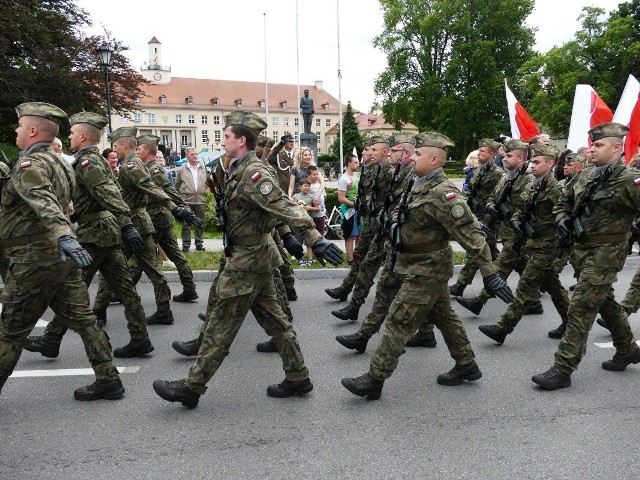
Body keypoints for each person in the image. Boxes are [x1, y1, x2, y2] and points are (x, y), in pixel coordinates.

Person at [152, 111, 343, 409]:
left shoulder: (254, 173)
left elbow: (284, 206)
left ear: (241, 141)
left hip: (247, 261)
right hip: (254, 258)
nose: (222, 139)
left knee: (220, 325)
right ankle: (297, 377)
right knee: (277, 323)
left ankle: (192, 387)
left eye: (226, 136)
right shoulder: (235, 169)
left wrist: (314, 240)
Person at [340, 132, 514, 400]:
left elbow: (473, 235)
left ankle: (374, 378)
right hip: (409, 263)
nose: (412, 157)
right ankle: (466, 364)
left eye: (418, 154)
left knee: (398, 319)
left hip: (428, 268)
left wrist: (489, 274)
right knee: (444, 316)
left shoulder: (444, 193)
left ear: (434, 160)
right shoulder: (417, 183)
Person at [0, 102, 123, 401]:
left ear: (31, 130)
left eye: (19, 127)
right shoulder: (59, 162)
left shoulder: (32, 165)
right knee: (85, 320)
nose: (15, 132)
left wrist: (63, 235)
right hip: (58, 259)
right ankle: (108, 378)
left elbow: (45, 201)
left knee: (11, 331)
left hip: (35, 259)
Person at [25, 111, 154, 360]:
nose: (70, 136)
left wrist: (127, 223)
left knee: (72, 290)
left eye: (72, 133)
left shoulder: (88, 163)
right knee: (126, 291)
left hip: (94, 235)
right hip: (105, 232)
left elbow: (109, 194)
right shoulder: (97, 161)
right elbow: (107, 193)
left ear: (83, 136)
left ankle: (51, 340)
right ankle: (140, 338)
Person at [532, 122, 640, 390]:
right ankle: (627, 348)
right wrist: (562, 220)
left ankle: (563, 368)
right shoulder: (586, 176)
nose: (593, 149)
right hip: (581, 251)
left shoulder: (630, 180)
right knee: (605, 302)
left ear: (617, 147)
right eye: (592, 144)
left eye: (599, 145)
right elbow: (563, 202)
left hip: (607, 253)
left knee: (580, 306)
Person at [336, 132, 438, 353]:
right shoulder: (395, 172)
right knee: (377, 274)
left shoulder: (411, 175)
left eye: (392, 150)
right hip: (386, 231)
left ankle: (365, 333)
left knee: (392, 286)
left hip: (404, 240)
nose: (388, 154)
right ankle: (433, 338)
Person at [477, 144, 569, 345]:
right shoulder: (533, 186)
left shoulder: (558, 189)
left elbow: (564, 215)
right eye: (532, 161)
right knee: (553, 286)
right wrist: (517, 220)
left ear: (550, 163)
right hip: (530, 242)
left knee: (526, 286)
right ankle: (570, 321)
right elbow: (521, 209)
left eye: (537, 162)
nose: (532, 165)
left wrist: (562, 250)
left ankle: (503, 328)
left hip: (547, 245)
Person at [455, 140, 535, 316]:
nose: (504, 159)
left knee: (501, 266)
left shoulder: (528, 179)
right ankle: (534, 300)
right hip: (504, 227)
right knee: (522, 264)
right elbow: (493, 196)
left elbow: (525, 206)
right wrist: (491, 206)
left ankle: (479, 300)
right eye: (504, 155)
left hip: (517, 231)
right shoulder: (508, 177)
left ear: (521, 158)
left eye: (509, 156)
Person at [325, 136, 391, 305]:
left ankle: (357, 300)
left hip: (380, 223)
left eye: (370, 149)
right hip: (368, 221)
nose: (365, 153)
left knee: (375, 264)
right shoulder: (371, 170)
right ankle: (346, 290)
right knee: (360, 257)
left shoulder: (387, 171)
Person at [137, 137, 201, 303]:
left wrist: (183, 209)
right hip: (161, 217)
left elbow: (169, 191)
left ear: (146, 151)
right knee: (175, 255)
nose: (136, 152)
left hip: (156, 218)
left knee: (142, 257)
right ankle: (189, 289)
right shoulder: (145, 168)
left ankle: (124, 291)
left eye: (139, 149)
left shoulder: (153, 170)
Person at [449, 138, 503, 297]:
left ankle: (460, 285)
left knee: (476, 252)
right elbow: (469, 191)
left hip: (487, 219)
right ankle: (499, 281)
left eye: (482, 151)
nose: (479, 153)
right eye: (479, 151)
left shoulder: (497, 174)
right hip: (474, 216)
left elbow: (497, 198)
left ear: (492, 154)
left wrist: (487, 220)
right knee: (492, 253)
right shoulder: (479, 170)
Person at [175, 147, 207, 252]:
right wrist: (180, 199)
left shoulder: (203, 168)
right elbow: (177, 185)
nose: (195, 156)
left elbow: (208, 182)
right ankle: (186, 244)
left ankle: (199, 243)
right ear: (187, 156)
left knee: (200, 223)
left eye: (196, 154)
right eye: (192, 154)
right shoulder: (181, 170)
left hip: (201, 199)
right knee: (186, 224)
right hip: (186, 201)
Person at [337, 153, 361, 264]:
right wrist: (354, 205)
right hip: (349, 211)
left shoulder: (356, 176)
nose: (358, 164)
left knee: (359, 234)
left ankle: (358, 257)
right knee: (350, 235)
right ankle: (351, 259)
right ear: (349, 163)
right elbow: (341, 198)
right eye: (355, 162)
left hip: (359, 210)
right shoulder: (343, 179)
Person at [307, 165, 327, 235]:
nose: (316, 176)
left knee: (321, 235)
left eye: (317, 174)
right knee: (312, 236)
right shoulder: (308, 186)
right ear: (309, 175)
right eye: (314, 174)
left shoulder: (320, 185)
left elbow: (323, 196)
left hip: (321, 214)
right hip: (312, 216)